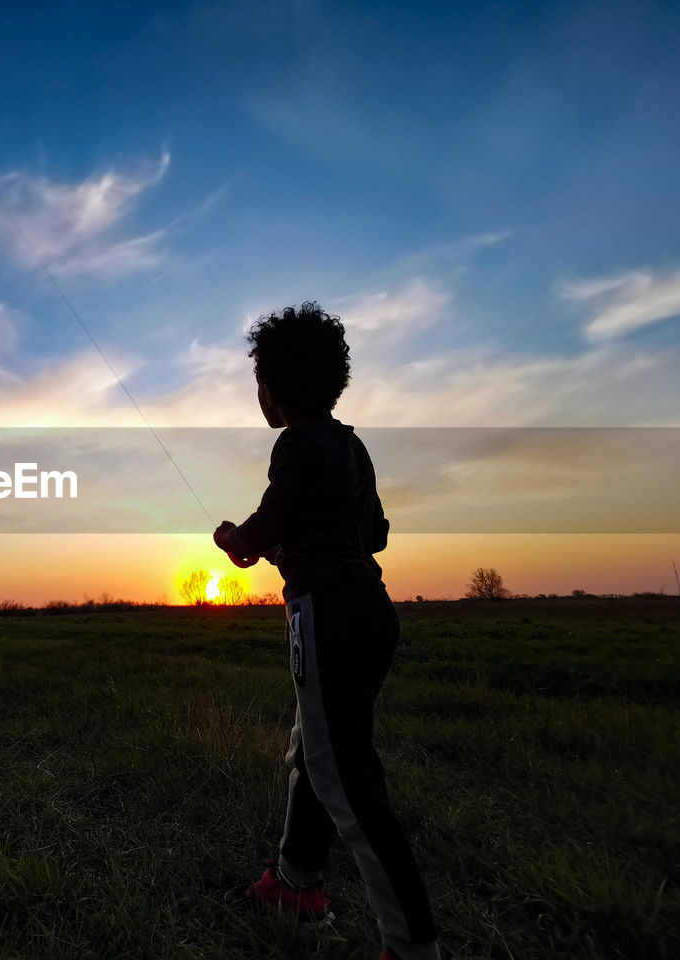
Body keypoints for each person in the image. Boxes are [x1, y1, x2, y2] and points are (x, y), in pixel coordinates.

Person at [214, 303, 442, 960]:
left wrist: (235, 539)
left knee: (343, 774)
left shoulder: (294, 442)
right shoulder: (351, 445)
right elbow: (375, 535)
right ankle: (294, 882)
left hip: (327, 611)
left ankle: (412, 946)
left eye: (259, 383)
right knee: (319, 747)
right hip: (371, 607)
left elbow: (264, 527)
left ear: (273, 390)